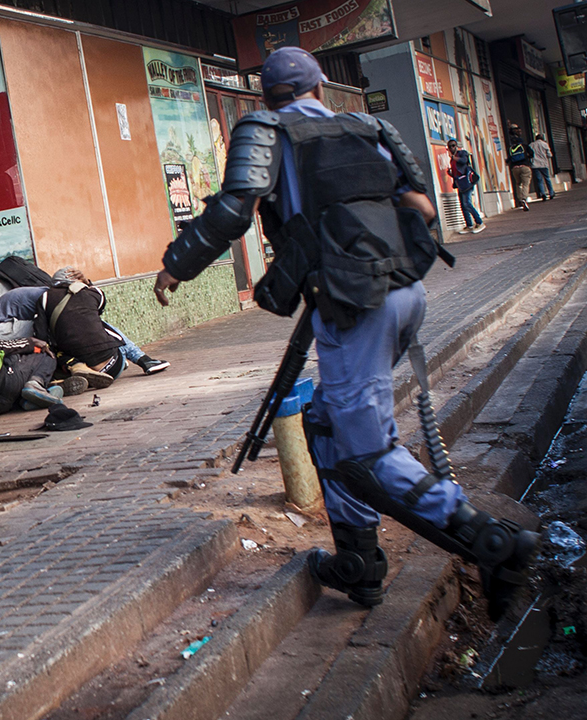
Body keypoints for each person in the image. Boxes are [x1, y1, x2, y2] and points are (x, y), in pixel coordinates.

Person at [153, 47, 537, 621]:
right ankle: (359, 564)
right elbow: (422, 209)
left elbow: (235, 210)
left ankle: (492, 543)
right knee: (329, 423)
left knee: (364, 453)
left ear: (267, 95)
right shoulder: (370, 126)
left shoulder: (266, 128)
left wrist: (176, 266)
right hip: (405, 292)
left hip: (353, 307)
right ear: (321, 86)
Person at [0, 261, 169, 376]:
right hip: (0, 330)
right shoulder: (50, 296)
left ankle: (87, 365)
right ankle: (131, 360)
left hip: (7, 327)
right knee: (56, 333)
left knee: (68, 328)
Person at [446, 139, 484, 234]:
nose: (452, 148)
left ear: (457, 146)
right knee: (463, 205)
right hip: (460, 184)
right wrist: (450, 173)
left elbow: (464, 161)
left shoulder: (462, 153)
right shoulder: (452, 160)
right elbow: (457, 173)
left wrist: (453, 157)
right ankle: (469, 225)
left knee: (467, 203)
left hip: (466, 183)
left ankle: (479, 222)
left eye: (453, 145)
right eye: (450, 146)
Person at [506, 124, 533, 211]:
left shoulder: (511, 148)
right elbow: (532, 154)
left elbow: (508, 159)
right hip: (525, 166)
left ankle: (519, 200)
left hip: (515, 168)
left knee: (518, 184)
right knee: (525, 184)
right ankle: (524, 198)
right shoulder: (524, 146)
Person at [530, 133, 555, 200]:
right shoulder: (545, 144)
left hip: (535, 165)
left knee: (539, 180)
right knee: (547, 178)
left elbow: (529, 154)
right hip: (543, 164)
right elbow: (549, 155)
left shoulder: (531, 145)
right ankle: (551, 193)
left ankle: (542, 193)